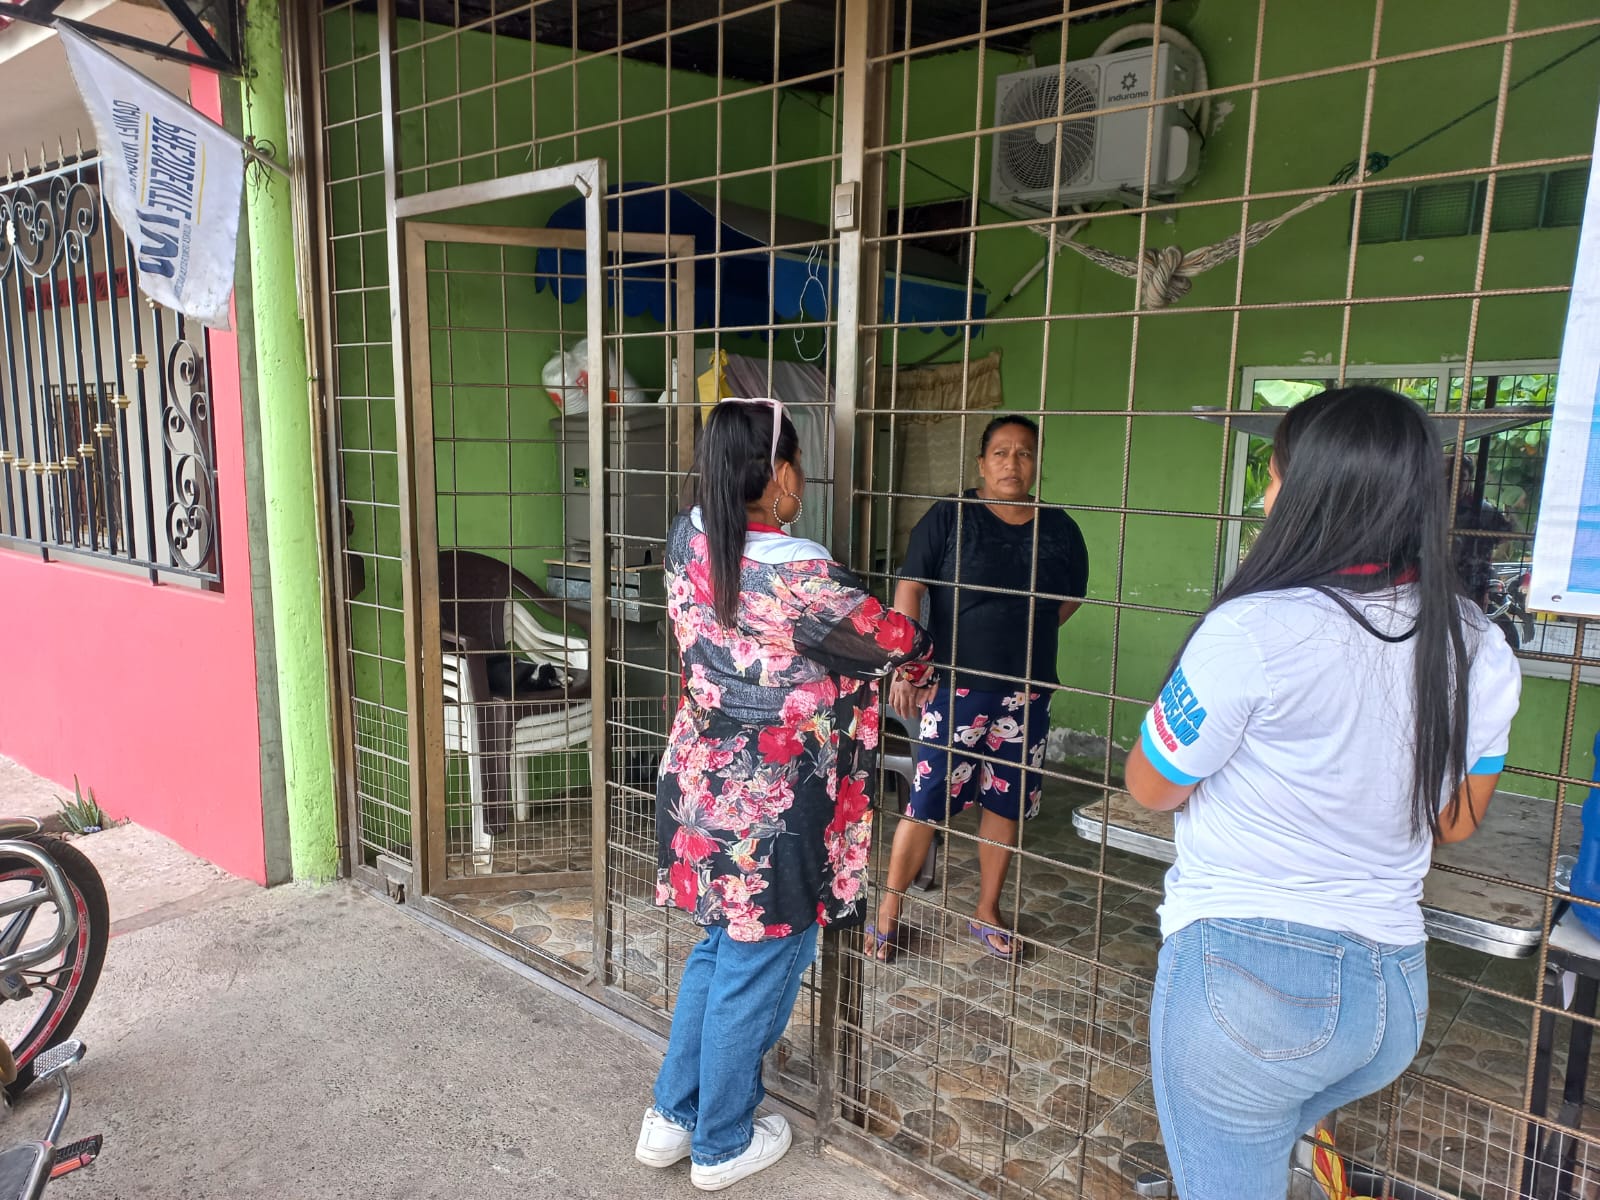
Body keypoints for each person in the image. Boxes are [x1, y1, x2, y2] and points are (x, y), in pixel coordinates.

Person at [1125, 387, 1523, 1198]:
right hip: (1391, 1002)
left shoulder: (1251, 630)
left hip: (1245, 989)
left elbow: (1150, 786)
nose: (1265, 496)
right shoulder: (1480, 642)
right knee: (1260, 1152)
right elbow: (1453, 822)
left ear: (1310, 493)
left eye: (1273, 477)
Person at [637, 397, 933, 1191]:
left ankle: (672, 1117)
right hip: (770, 812)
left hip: (698, 786)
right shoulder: (799, 576)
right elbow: (890, 638)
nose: (801, 477)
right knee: (757, 967)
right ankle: (721, 1143)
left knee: (717, 952)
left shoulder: (689, 539)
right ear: (775, 475)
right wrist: (923, 653)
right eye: (796, 462)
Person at [867, 413, 1089, 961]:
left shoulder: (1060, 528)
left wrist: (1019, 639)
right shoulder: (950, 517)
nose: (1013, 463)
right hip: (955, 687)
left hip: (1026, 692)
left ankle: (987, 910)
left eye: (1024, 453)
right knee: (925, 800)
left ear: (1036, 463)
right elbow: (910, 588)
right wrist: (910, 666)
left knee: (1006, 803)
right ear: (982, 464)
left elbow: (1069, 600)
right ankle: (888, 912)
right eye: (1001, 453)